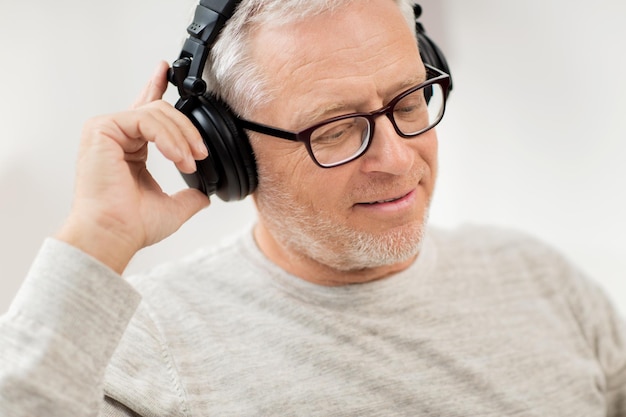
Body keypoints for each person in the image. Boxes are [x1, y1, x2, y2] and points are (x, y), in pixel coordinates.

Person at [1, 0, 625, 415]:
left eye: (409, 102)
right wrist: (97, 236)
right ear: (225, 150)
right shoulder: (146, 348)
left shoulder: (542, 280)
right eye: (334, 128)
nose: (399, 159)